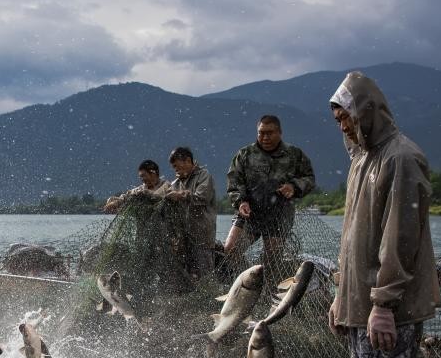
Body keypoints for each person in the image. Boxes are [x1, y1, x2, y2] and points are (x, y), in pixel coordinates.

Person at [327, 72, 440, 358]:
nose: (343, 127)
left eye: (347, 118)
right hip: (359, 301)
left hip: (389, 306)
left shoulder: (401, 159)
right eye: (338, 121)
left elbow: (400, 238)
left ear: (365, 112)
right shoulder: (363, 160)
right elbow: (352, 239)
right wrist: (342, 297)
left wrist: (384, 304)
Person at [223, 115, 315, 269]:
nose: (265, 137)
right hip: (249, 213)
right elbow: (234, 181)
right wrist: (241, 201)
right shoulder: (245, 154)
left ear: (279, 132)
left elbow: (309, 178)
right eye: (261, 133)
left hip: (279, 216)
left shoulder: (294, 154)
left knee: (271, 260)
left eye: (269, 133)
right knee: (230, 250)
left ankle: (269, 290)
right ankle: (249, 281)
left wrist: (294, 187)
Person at [165, 146, 219, 285]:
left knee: (205, 274)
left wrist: (181, 195)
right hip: (183, 238)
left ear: (188, 161)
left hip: (202, 235)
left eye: (177, 166)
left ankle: (210, 300)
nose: (175, 170)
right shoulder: (175, 184)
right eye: (174, 168)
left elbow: (201, 198)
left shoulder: (204, 176)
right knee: (187, 276)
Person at [103, 160, 170, 213]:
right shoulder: (140, 189)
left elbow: (160, 196)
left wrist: (147, 193)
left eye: (143, 176)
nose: (142, 179)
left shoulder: (167, 186)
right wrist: (114, 201)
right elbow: (126, 196)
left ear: (153, 173)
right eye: (140, 177)